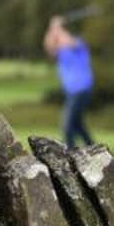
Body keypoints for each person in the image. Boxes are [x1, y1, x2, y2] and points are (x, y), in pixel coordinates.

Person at [44, 16, 95, 149]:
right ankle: (94, 148)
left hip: (81, 89)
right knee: (78, 125)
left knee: (67, 126)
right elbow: (48, 47)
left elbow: (67, 41)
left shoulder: (78, 44)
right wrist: (52, 29)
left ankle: (71, 154)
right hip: (72, 91)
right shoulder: (62, 50)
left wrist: (57, 28)